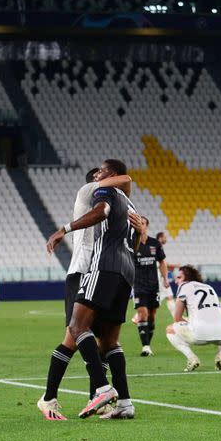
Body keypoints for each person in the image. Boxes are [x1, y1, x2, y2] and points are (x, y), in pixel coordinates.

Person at [45, 159, 140, 420]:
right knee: (102, 341)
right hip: (118, 270)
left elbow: (123, 185)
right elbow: (126, 185)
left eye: (102, 171)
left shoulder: (105, 192)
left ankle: (99, 391)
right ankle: (111, 400)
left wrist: (62, 230)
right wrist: (143, 231)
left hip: (96, 268)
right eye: (96, 173)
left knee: (77, 332)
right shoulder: (99, 193)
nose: (98, 174)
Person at [165, 265, 221, 372]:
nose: (176, 281)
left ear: (187, 278)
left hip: (199, 335)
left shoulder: (184, 286)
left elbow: (177, 318)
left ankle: (192, 358)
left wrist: (190, 322)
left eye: (179, 278)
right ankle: (220, 356)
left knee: (170, 329)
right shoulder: (209, 288)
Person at [131, 217, 168, 357]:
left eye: (142, 223)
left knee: (152, 315)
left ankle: (148, 345)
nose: (140, 225)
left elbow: (162, 262)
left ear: (146, 226)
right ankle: (145, 346)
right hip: (138, 286)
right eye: (137, 223)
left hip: (154, 286)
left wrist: (165, 279)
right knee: (143, 313)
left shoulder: (155, 243)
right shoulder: (132, 243)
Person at [156, 231, 178, 318]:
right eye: (165, 237)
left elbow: (161, 264)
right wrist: (174, 265)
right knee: (165, 297)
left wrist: (169, 267)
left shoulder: (157, 247)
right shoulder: (157, 247)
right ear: (160, 238)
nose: (166, 239)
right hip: (159, 276)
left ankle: (177, 317)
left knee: (168, 296)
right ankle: (139, 316)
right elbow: (160, 263)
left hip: (160, 276)